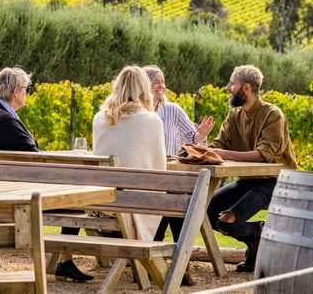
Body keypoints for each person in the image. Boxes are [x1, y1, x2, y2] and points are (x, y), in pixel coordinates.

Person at [0, 67, 93, 283]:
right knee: (78, 199)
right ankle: (65, 261)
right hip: (18, 194)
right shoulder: (4, 120)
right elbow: (36, 158)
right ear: (16, 91)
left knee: (76, 198)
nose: (28, 93)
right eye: (27, 89)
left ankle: (65, 261)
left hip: (2, 187)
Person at [207, 64, 298, 273]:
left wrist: (224, 154)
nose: (228, 87)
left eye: (232, 83)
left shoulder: (273, 115)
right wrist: (201, 149)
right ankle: (256, 240)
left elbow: (264, 155)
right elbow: (219, 145)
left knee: (229, 220)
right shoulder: (234, 115)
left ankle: (259, 234)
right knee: (205, 209)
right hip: (248, 181)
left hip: (276, 182)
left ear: (246, 88)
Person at [143, 65, 213, 286]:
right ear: (143, 85)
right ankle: (172, 266)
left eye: (162, 81)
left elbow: (193, 139)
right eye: (155, 82)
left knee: (177, 199)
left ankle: (178, 265)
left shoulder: (172, 110)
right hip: (146, 179)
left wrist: (201, 134)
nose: (161, 85)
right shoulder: (137, 113)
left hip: (168, 177)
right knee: (175, 200)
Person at [93, 65, 166, 242]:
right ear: (144, 88)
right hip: (132, 207)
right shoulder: (151, 120)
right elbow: (160, 170)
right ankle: (157, 258)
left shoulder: (100, 118)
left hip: (100, 205)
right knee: (176, 198)